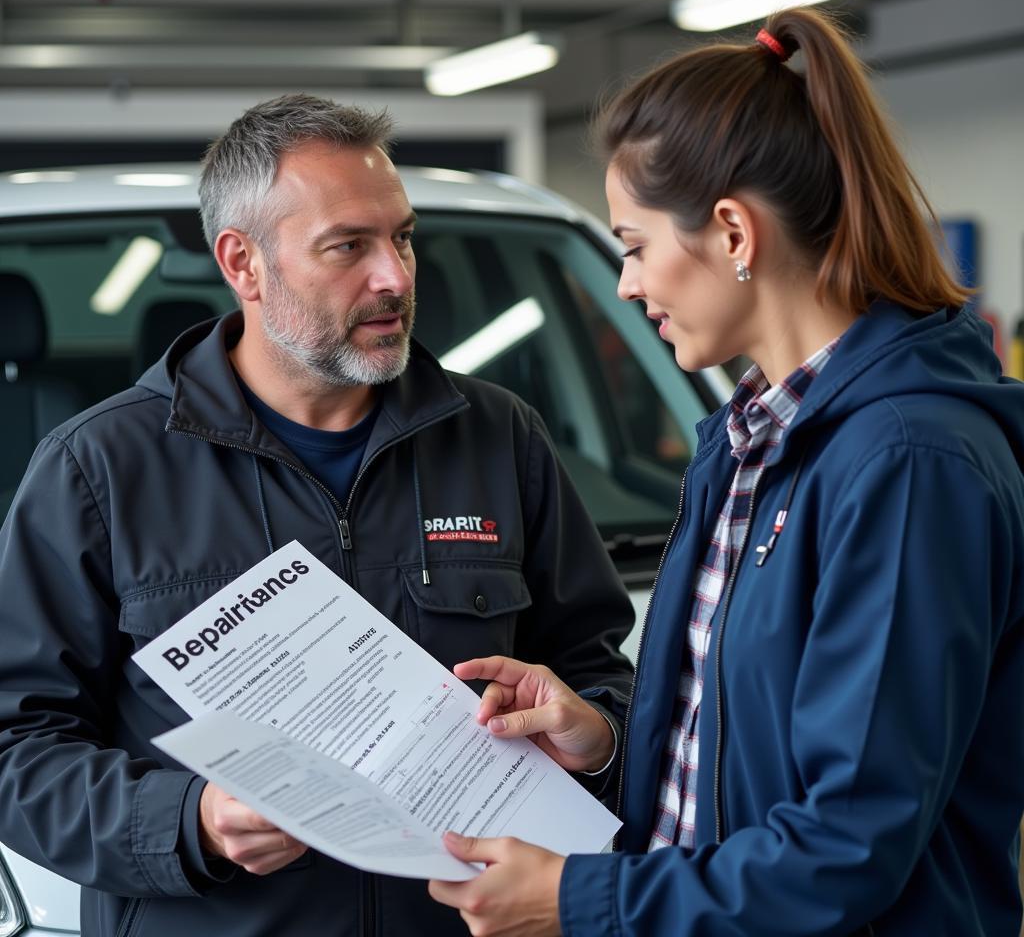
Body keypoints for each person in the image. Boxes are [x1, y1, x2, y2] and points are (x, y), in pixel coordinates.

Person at [427, 7, 1024, 936]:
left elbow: (845, 847)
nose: (628, 285)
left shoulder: (909, 465)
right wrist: (605, 744)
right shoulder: (749, 444)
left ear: (735, 233)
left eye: (633, 246)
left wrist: (576, 899)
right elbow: (738, 765)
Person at [0, 94, 634, 937]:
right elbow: (15, 750)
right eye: (349, 247)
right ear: (244, 263)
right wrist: (189, 822)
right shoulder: (98, 470)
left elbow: (605, 676)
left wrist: (597, 730)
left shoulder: (498, 438)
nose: (396, 277)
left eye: (402, 236)